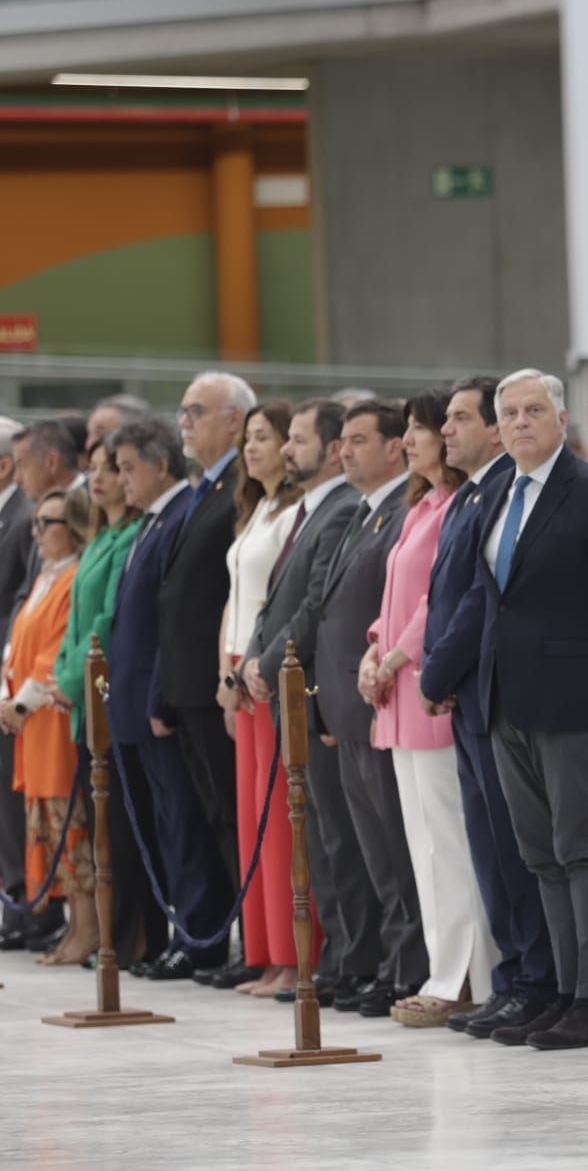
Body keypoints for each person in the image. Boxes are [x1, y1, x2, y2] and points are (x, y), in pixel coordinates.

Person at [474, 368, 588, 1051]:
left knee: (581, 847)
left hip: (573, 695)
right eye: (510, 413)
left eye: (533, 411)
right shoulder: (499, 492)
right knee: (538, 854)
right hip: (505, 696)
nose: (520, 422)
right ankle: (559, 988)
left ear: (559, 418)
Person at [417, 376, 558, 1040]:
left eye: (459, 419)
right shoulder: (472, 493)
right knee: (487, 849)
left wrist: (439, 670)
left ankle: (535, 979)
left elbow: (480, 596)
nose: (445, 431)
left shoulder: (503, 489)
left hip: (489, 692)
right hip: (467, 693)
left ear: (495, 432)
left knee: (511, 847)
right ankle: (512, 979)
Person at [365, 386, 498, 1028]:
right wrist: (373, 649)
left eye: (423, 427)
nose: (415, 437)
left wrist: (397, 657)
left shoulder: (455, 508)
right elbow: (395, 596)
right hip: (398, 689)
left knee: (449, 842)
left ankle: (465, 977)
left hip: (428, 686)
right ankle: (445, 968)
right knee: (424, 844)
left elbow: (441, 602)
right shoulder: (420, 506)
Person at [243, 398, 380, 1008]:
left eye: (296, 439)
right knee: (322, 837)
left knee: (343, 840)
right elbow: (275, 604)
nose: (287, 449)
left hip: (317, 690)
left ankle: (356, 958)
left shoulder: (343, 508)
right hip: (294, 690)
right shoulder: (312, 511)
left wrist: (268, 664)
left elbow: (315, 604)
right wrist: (254, 656)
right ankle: (342, 960)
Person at [108, 417, 235, 981]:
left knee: (186, 825)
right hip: (137, 700)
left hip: (165, 696)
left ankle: (200, 935)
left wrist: (158, 693)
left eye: (129, 467)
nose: (120, 479)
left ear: (161, 466)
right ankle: (184, 931)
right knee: (167, 825)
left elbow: (171, 621)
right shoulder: (151, 522)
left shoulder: (182, 513)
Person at [316, 399, 426, 1019]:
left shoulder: (403, 509)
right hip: (349, 702)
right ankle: (387, 963)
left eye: (359, 439)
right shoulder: (362, 514)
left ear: (394, 448)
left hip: (384, 699)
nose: (344, 450)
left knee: (395, 847)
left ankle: (407, 967)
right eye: (344, 440)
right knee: (372, 853)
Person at [50, 439, 154, 964]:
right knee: (95, 823)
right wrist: (62, 673)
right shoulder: (99, 538)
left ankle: (130, 933)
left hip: (103, 693)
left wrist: (71, 681)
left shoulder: (131, 535)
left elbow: (104, 622)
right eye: (91, 469)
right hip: (82, 692)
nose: (97, 478)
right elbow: (74, 623)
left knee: (119, 821)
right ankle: (107, 930)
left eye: (109, 469)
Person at [216, 400, 306, 998]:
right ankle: (265, 952)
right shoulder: (256, 510)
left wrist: (252, 664)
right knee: (252, 817)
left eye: (264, 437)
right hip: (237, 665)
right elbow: (236, 596)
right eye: (247, 437)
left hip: (269, 668)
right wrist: (222, 673)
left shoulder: (298, 511)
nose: (252, 448)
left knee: (279, 817)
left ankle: (295, 956)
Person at [165, 372, 254, 908]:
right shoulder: (206, 489)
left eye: (197, 410)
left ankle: (251, 937)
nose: (185, 421)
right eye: (184, 410)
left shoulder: (239, 488)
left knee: (232, 810)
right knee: (214, 813)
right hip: (188, 682)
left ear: (235, 420)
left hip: (217, 680)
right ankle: (241, 936)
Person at [1, 487, 92, 964]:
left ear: (72, 527)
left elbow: (54, 652)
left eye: (47, 524)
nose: (36, 533)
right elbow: (17, 645)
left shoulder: (72, 576)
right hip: (29, 722)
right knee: (46, 826)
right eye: (35, 523)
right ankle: (72, 926)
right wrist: (6, 695)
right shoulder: (43, 577)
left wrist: (21, 702)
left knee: (68, 822)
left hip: (51, 718)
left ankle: (85, 928)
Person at [0, 415, 37, 950]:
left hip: (13, 679)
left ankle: (26, 900)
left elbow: (16, 601)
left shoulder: (25, 517)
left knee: (13, 797)